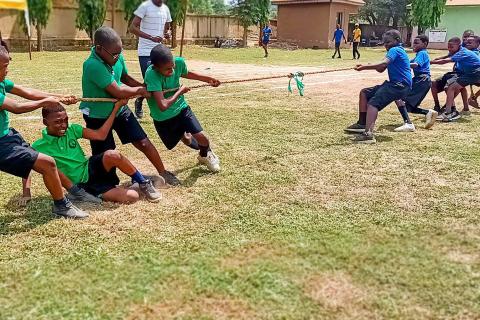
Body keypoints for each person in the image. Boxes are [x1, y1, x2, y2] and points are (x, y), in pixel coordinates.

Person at [80, 26, 179, 186]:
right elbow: (118, 91)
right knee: (106, 153)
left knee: (143, 142)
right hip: (98, 115)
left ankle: (163, 172)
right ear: (99, 48)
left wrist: (145, 87)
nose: (118, 57)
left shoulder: (116, 56)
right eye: (114, 54)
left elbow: (125, 77)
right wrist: (140, 90)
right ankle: (108, 185)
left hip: (120, 109)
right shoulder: (92, 65)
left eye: (120, 52)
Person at [0, 46, 87, 218]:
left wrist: (59, 97)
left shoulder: (2, 82)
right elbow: (16, 107)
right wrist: (45, 102)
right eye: (4, 66)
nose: (7, 70)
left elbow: (28, 92)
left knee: (44, 163)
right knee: (48, 163)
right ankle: (62, 205)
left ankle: (74, 192)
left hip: (7, 135)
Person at [32, 101, 162, 204]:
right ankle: (93, 193)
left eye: (65, 120)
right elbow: (26, 167)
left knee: (112, 154)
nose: (63, 125)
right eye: (57, 122)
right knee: (132, 197)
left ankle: (142, 182)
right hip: (81, 185)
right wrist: (26, 193)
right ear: (45, 122)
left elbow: (100, 135)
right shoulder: (39, 146)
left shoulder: (72, 129)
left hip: (89, 168)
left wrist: (116, 108)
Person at [144, 44, 221, 172]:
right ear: (156, 68)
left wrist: (207, 79)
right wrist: (180, 91)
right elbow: (162, 105)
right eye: (167, 69)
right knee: (186, 139)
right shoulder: (151, 75)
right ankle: (203, 152)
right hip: (163, 117)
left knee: (202, 137)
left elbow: (185, 73)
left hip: (181, 108)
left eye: (172, 66)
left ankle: (205, 154)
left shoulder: (178, 63)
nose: (172, 71)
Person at [344, 30, 412, 144]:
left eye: (388, 42)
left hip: (399, 86)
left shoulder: (395, 50)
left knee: (373, 103)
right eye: (384, 42)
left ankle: (368, 135)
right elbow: (381, 68)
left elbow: (383, 64)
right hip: (396, 85)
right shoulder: (395, 51)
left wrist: (364, 67)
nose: (386, 44)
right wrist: (371, 65)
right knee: (365, 93)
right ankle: (362, 123)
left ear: (397, 40)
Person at [129, 0, 172, 119]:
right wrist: (150, 37)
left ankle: (140, 98)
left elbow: (167, 29)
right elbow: (132, 28)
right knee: (151, 82)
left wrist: (167, 34)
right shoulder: (145, 6)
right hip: (145, 52)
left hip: (160, 52)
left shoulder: (166, 10)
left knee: (159, 82)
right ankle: (157, 111)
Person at [431, 37, 480, 122]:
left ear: (459, 45)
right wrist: (435, 59)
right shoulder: (458, 50)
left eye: (451, 47)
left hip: (475, 73)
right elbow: (447, 56)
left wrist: (430, 62)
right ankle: (450, 111)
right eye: (448, 47)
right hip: (469, 73)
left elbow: (445, 61)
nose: (449, 49)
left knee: (451, 87)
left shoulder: (462, 52)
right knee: (451, 87)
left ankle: (449, 112)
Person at [394, 35, 437, 131]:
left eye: (417, 43)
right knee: (408, 107)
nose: (414, 45)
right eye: (414, 43)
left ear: (425, 44)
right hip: (421, 80)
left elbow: (415, 65)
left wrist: (402, 65)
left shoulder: (422, 53)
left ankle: (408, 123)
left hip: (422, 80)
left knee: (399, 97)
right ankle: (428, 112)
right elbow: (408, 62)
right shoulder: (419, 54)